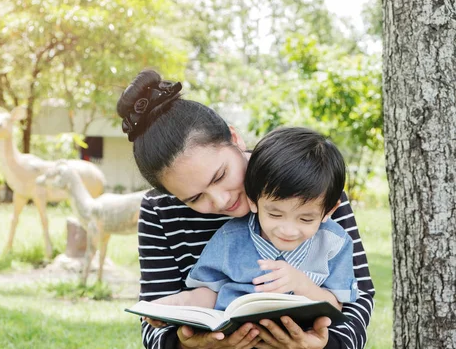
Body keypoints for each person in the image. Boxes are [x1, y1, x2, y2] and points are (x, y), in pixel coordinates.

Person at [117, 70, 375, 349]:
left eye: (221, 175)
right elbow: (154, 330)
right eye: (195, 198)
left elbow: (358, 296)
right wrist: (190, 347)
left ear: (234, 137)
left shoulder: (306, 187)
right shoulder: (159, 210)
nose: (222, 200)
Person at [144, 127, 358, 317]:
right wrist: (177, 304)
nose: (288, 229)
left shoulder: (333, 242)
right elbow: (210, 293)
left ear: (329, 211)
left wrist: (301, 284)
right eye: (275, 214)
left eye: (306, 218)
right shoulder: (231, 239)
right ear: (254, 201)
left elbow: (336, 306)